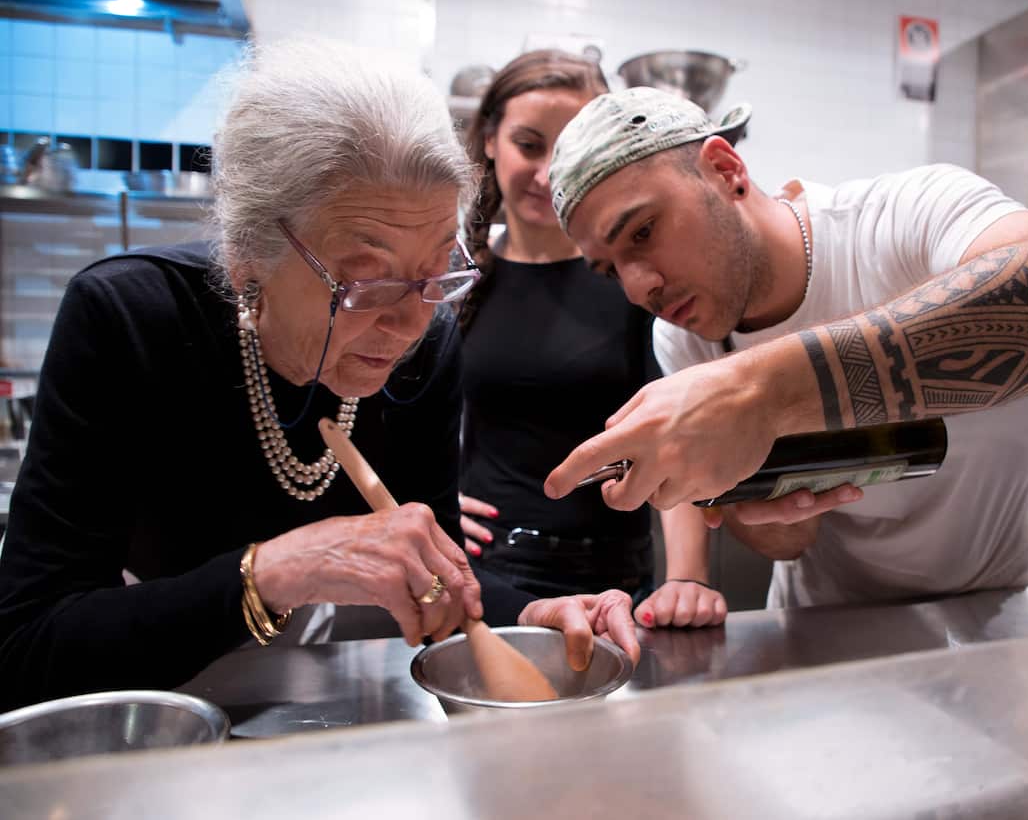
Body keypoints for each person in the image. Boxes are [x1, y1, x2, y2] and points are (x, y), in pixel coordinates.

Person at [0, 39, 638, 713]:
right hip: (146, 719)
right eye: (366, 284)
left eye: (433, 275)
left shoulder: (426, 344)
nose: (408, 324)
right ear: (250, 260)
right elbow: (25, 648)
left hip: (304, 718)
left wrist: (531, 612)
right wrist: (276, 571)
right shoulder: (130, 320)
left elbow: (440, 576)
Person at [540, 87, 1028, 607]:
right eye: (609, 269)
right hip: (820, 635)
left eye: (644, 231)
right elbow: (786, 545)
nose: (636, 285)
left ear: (726, 170)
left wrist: (762, 395)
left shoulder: (902, 220)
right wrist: (776, 512)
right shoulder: (685, 337)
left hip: (992, 618)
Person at [457, 50, 726, 629]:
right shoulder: (458, 277)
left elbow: (675, 432)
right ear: (489, 140)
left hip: (618, 590)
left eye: (567, 150)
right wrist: (425, 503)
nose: (548, 174)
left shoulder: (636, 278)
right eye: (529, 145)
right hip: (490, 583)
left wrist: (687, 578)